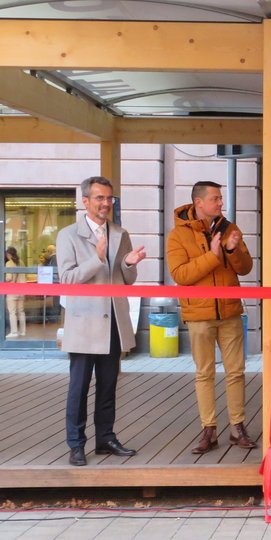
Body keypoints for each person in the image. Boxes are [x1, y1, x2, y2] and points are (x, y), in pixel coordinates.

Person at [57, 176, 146, 466]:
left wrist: (129, 264)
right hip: (84, 323)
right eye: (99, 198)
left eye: (109, 198)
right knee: (79, 387)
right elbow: (67, 279)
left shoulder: (121, 233)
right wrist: (95, 259)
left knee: (108, 385)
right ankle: (76, 443)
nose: (106, 203)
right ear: (85, 201)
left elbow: (127, 280)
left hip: (113, 322)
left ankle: (106, 437)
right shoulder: (68, 235)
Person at [167, 181, 256, 455]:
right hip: (199, 315)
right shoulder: (177, 236)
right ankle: (209, 429)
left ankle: (237, 427)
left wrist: (232, 250)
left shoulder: (230, 228)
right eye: (216, 198)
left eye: (221, 198)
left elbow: (246, 267)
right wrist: (213, 256)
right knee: (204, 373)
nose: (220, 203)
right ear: (199, 202)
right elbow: (181, 275)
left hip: (229, 311)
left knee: (236, 372)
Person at [5, 247, 26, 339]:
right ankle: (23, 331)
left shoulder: (9, 263)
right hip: (22, 290)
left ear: (8, 254)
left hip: (12, 290)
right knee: (21, 311)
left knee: (12, 312)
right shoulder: (21, 262)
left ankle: (14, 332)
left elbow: (9, 278)